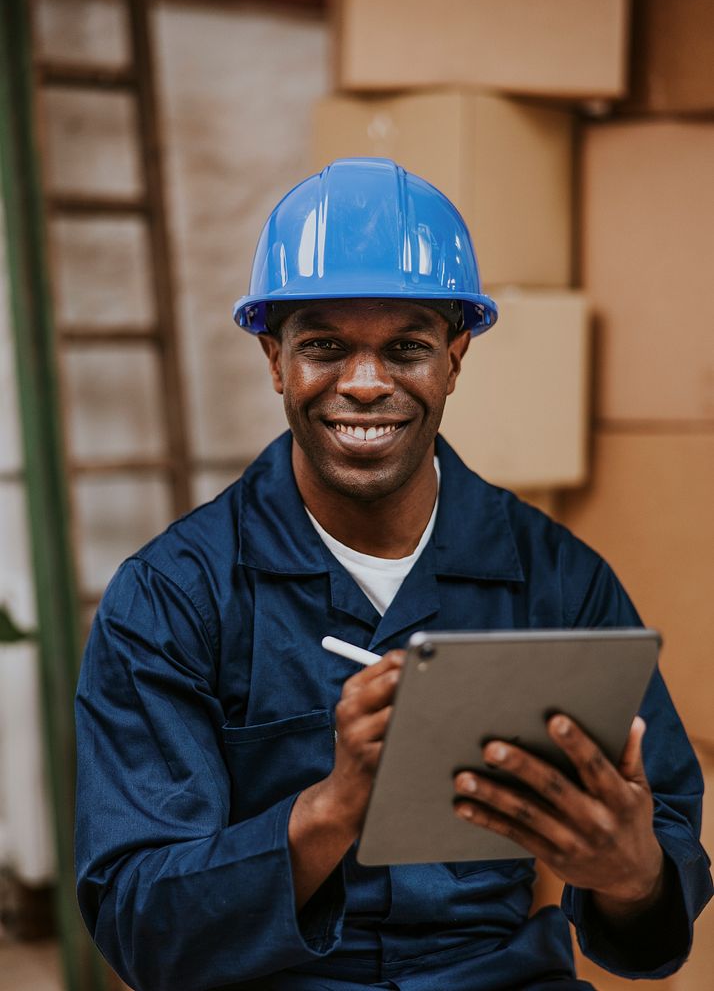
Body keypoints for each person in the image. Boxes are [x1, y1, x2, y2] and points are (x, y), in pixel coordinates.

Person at [75, 158, 712, 991]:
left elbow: (655, 900)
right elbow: (137, 923)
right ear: (275, 359)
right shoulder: (172, 599)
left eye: (407, 347)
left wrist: (631, 876)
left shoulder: (558, 580)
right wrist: (332, 809)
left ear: (455, 357)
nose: (366, 384)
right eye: (325, 347)